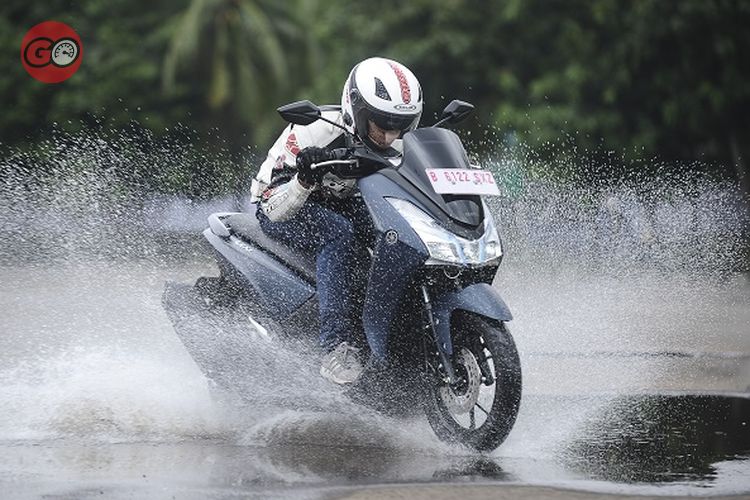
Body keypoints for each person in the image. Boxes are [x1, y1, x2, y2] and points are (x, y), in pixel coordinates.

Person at [249, 57, 423, 385]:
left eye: (399, 124)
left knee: (401, 238)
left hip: (344, 202)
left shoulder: (403, 143)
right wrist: (303, 177)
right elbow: (271, 206)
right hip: (286, 204)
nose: (389, 134)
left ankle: (399, 336)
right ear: (357, 110)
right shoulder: (313, 131)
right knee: (338, 234)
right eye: (381, 123)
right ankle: (335, 347)